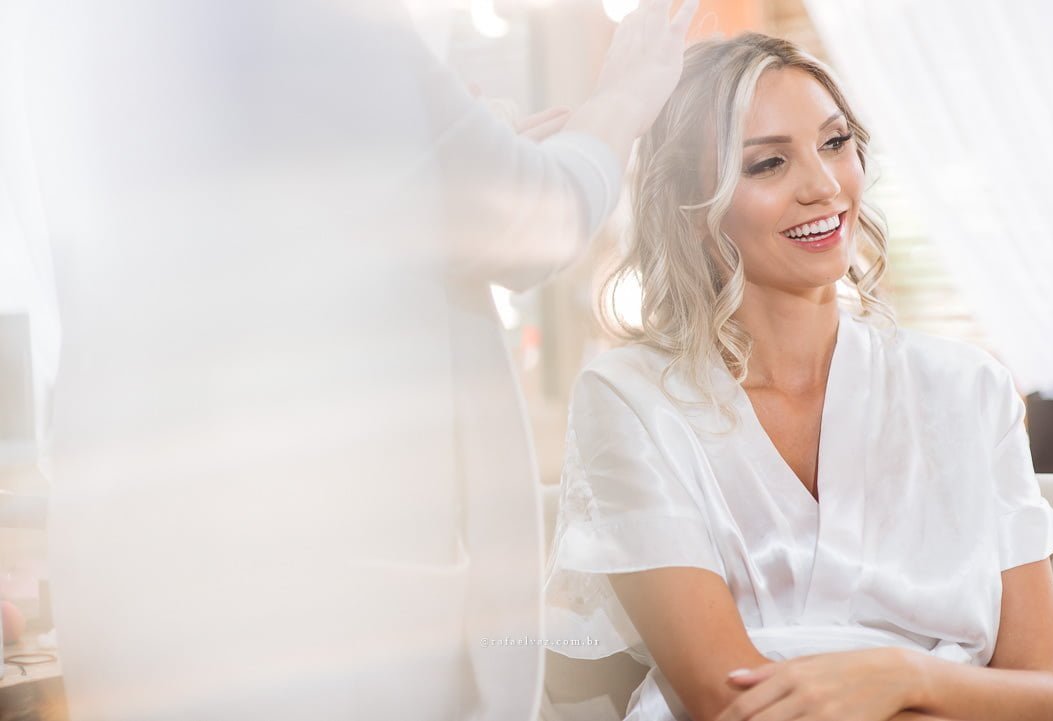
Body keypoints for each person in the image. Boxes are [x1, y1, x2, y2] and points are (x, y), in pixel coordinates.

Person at [10, 1, 698, 720]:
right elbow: (532, 219)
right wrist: (623, 96)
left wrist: (445, 161)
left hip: (152, 589)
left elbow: (275, 226)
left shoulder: (88, 32)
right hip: (309, 615)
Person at [545, 33, 1053, 721]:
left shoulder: (969, 391)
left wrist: (900, 675)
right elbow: (723, 696)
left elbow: (1049, 695)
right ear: (693, 209)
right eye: (768, 163)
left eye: (835, 142)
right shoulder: (631, 398)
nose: (823, 186)